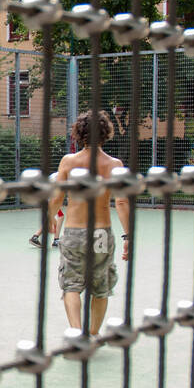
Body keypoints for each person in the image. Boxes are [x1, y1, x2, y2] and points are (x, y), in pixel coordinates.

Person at [46, 110, 131, 334]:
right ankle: (92, 334)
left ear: (79, 133)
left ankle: (76, 333)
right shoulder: (114, 164)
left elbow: (57, 198)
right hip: (101, 232)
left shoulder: (69, 161)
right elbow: (122, 202)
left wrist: (48, 218)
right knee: (100, 287)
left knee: (71, 285)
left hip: (74, 232)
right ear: (106, 133)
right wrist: (128, 236)